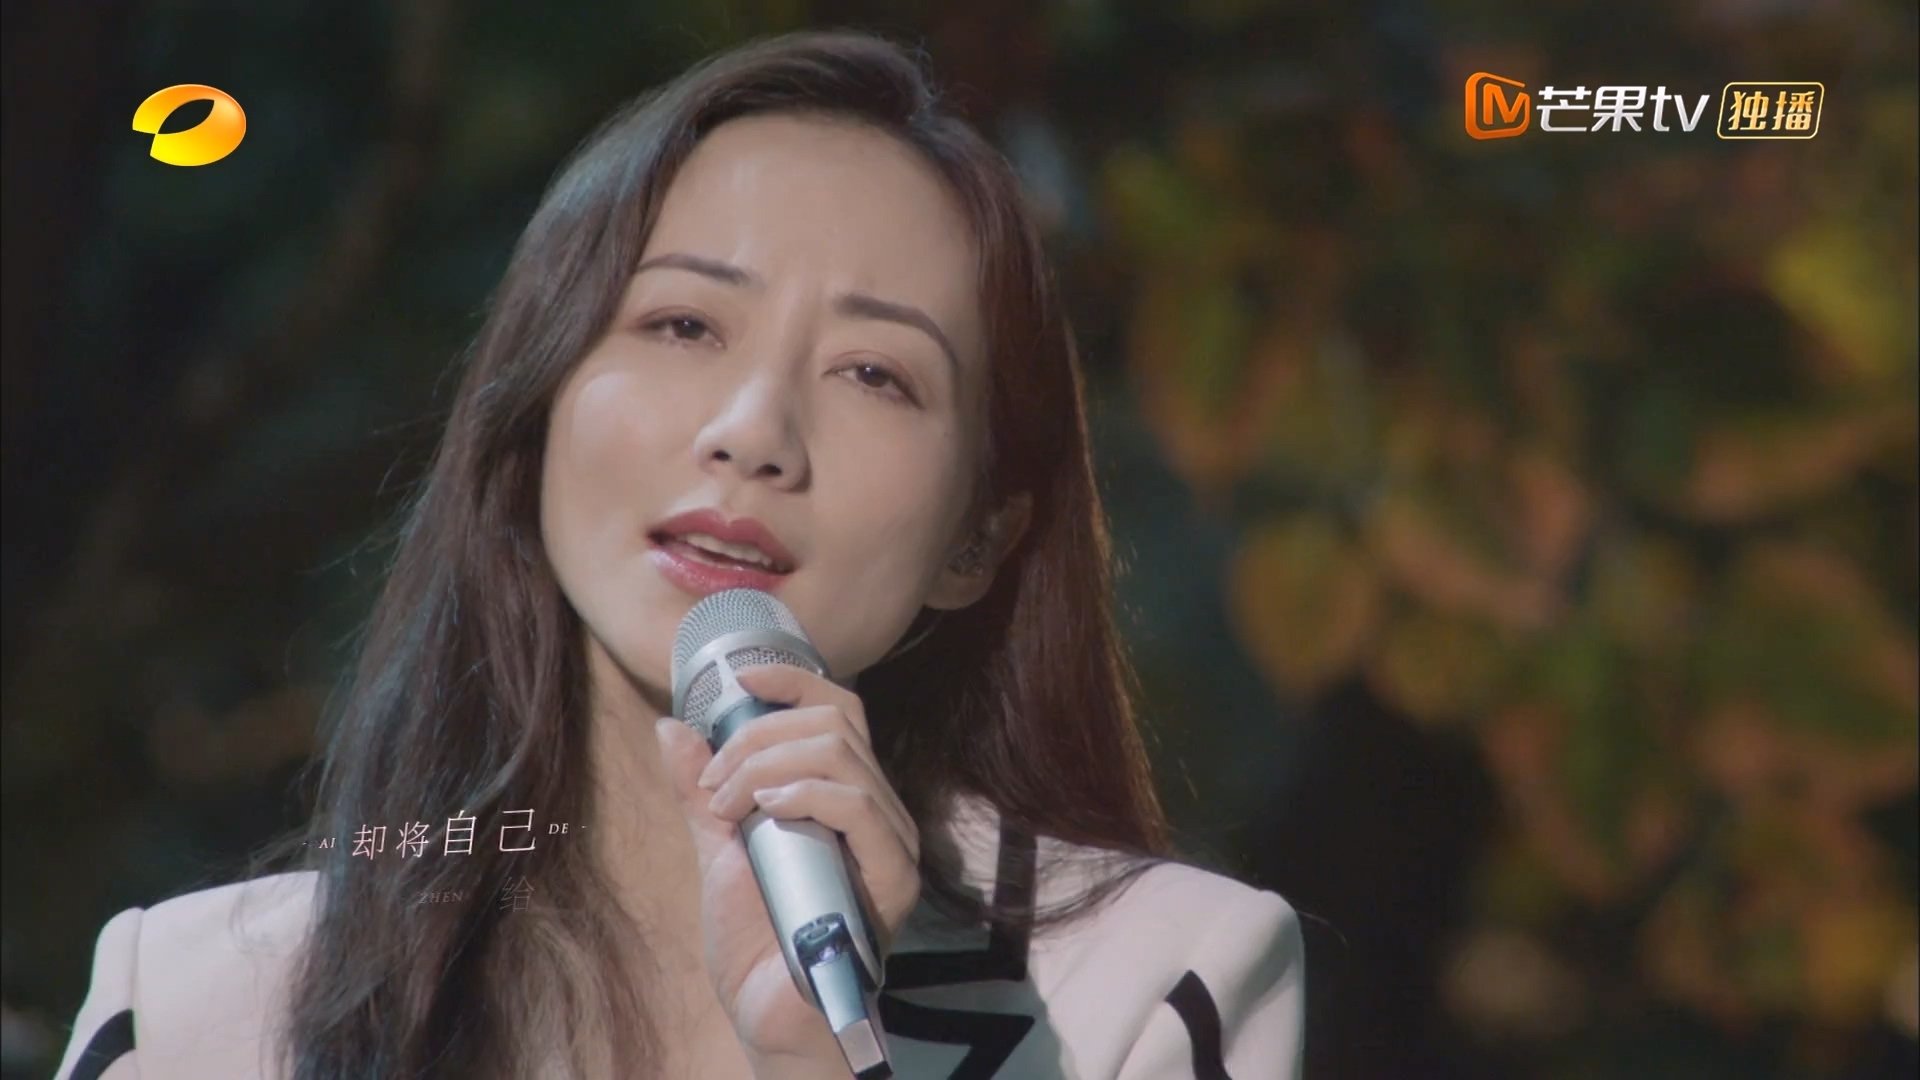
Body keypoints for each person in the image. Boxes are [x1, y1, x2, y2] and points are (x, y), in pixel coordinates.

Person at [54, 29, 1303, 1080]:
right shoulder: (199, 1007)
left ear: (978, 536)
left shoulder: (1150, 987)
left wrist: (820, 1059)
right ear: (535, 410)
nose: (754, 433)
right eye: (685, 323)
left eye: (876, 373)